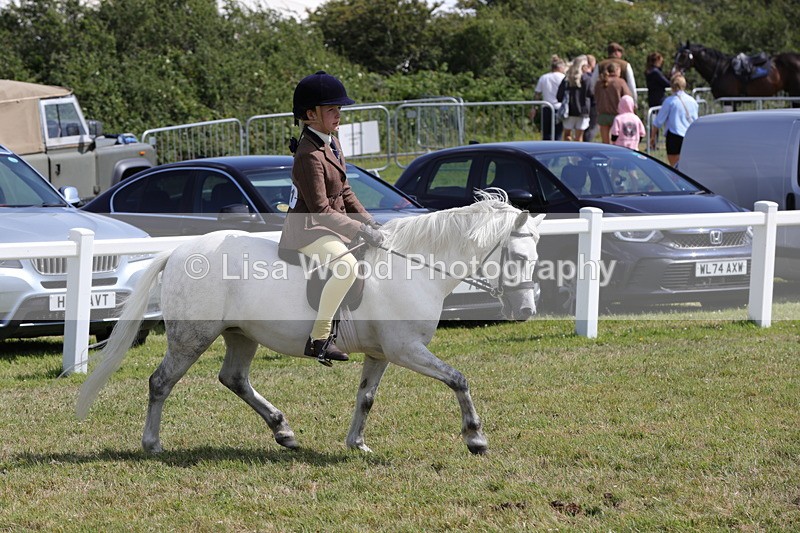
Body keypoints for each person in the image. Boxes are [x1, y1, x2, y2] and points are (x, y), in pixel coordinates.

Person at [278, 70, 384, 365]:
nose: (338, 115)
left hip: (329, 226)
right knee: (346, 267)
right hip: (309, 230)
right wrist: (357, 229)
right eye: (331, 110)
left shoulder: (332, 143)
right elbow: (321, 209)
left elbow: (346, 193)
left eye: (339, 109)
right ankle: (320, 337)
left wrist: (369, 222)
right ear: (310, 114)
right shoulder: (309, 154)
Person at [652, 74, 699, 167]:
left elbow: (658, 122)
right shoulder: (693, 101)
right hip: (689, 136)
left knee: (674, 167)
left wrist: (652, 137)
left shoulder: (669, 101)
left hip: (674, 136)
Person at [556, 55, 593, 142]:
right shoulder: (587, 79)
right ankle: (577, 155)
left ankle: (567, 153)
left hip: (569, 111)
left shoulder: (567, 79)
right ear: (583, 66)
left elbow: (559, 96)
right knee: (579, 137)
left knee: (567, 135)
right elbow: (591, 94)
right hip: (583, 111)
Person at [594, 62, 632, 144]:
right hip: (617, 115)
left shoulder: (599, 82)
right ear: (617, 70)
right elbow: (628, 97)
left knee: (605, 143)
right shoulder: (620, 82)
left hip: (602, 114)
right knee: (617, 142)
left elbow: (594, 95)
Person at [533, 55, 567, 140]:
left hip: (546, 107)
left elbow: (537, 94)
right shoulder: (563, 77)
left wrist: (534, 107)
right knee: (558, 134)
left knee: (546, 134)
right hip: (559, 107)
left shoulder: (544, 77)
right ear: (560, 67)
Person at [645, 52, 671, 149]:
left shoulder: (649, 71)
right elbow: (666, 83)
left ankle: (653, 143)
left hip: (652, 98)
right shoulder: (655, 72)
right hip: (659, 99)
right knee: (660, 122)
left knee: (654, 123)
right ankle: (653, 143)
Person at [583, 54, 599, 142]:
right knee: (591, 128)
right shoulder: (591, 77)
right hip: (593, 104)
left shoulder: (580, 76)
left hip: (582, 105)